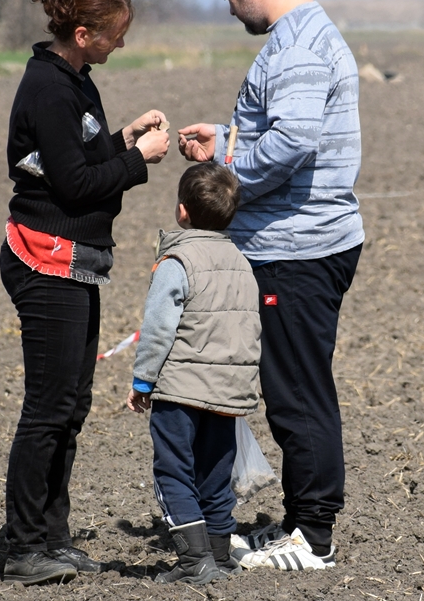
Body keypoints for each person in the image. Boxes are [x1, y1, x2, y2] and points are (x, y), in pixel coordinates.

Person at [177, 0, 364, 572]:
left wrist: (224, 173)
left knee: (296, 394)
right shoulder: (302, 38)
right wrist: (227, 141)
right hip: (297, 242)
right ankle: (302, 522)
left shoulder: (299, 45)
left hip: (299, 248)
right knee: (293, 387)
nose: (231, 10)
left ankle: (313, 538)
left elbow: (292, 144)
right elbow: (280, 131)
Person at [0, 0, 170, 586]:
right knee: (47, 408)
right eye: (114, 36)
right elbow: (73, 186)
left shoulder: (76, 80)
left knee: (71, 406)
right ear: (82, 32)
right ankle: (23, 548)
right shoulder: (48, 87)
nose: (120, 45)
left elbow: (80, 153)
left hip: (76, 263)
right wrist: (137, 161)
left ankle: (53, 535)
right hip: (46, 260)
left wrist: (124, 137)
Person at [126, 162, 261, 585]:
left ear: (181, 212)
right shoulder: (243, 262)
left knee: (173, 471)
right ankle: (219, 556)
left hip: (181, 391)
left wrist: (143, 380)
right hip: (228, 391)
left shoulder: (177, 260)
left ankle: (193, 562)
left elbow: (158, 327)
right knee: (215, 474)